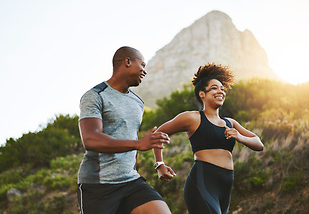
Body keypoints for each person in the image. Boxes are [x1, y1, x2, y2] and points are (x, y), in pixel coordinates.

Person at [153, 63, 264, 214]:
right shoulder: (192, 118)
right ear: (202, 94)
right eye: (214, 88)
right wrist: (160, 164)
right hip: (202, 183)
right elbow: (158, 134)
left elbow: (259, 144)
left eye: (222, 89)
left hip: (225, 187)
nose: (220, 92)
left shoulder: (230, 123)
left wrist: (240, 137)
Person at [77, 46, 172, 214]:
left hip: (131, 181)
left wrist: (156, 160)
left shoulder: (138, 103)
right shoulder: (95, 96)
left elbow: (131, 138)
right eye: (142, 65)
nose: (145, 71)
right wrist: (138, 144)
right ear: (127, 61)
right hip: (98, 185)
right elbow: (91, 139)